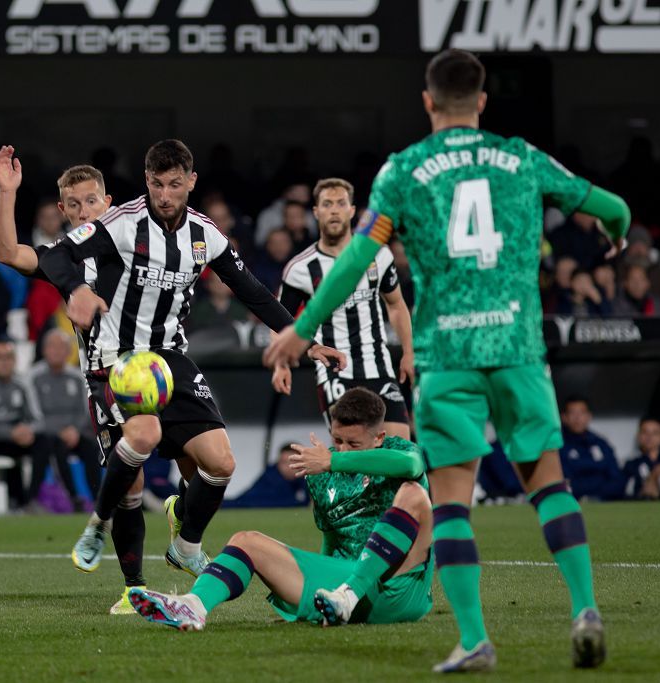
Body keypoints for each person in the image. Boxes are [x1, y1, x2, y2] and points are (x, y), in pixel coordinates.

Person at [264, 50, 632, 672]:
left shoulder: (405, 170)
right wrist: (615, 232)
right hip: (517, 348)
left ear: (429, 102)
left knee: (452, 502)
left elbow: (357, 259)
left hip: (448, 357)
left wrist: (300, 328)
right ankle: (586, 609)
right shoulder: (521, 156)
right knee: (549, 485)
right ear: (482, 101)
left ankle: (474, 639)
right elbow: (612, 207)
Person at [36, 140, 343, 583]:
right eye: (157, 185)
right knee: (144, 437)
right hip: (119, 360)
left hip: (172, 359)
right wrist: (78, 290)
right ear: (147, 181)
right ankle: (104, 537)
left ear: (191, 182)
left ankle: (185, 544)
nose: (165, 195)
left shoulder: (205, 234)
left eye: (175, 185)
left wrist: (302, 337)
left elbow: (251, 289)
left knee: (221, 465)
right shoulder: (121, 223)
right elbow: (55, 255)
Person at [129, 388, 432, 632]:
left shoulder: (396, 451)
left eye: (353, 443)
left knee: (413, 493)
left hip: (399, 589)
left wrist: (332, 461)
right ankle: (193, 606)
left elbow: (413, 466)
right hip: (342, 592)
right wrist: (316, 597)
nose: (342, 449)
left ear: (379, 438)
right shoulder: (321, 469)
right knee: (245, 540)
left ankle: (348, 595)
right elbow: (331, 538)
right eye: (337, 440)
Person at [0, 158, 151, 614]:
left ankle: (187, 529)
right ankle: (135, 587)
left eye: (92, 202)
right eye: (74, 204)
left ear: (108, 203)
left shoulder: (140, 243)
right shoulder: (63, 256)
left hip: (164, 367)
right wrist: (8, 193)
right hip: (107, 376)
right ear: (63, 209)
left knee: (212, 459)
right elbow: (9, 253)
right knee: (132, 482)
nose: (84, 211)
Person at [274, 177, 414, 438]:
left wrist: (408, 352)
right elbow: (278, 322)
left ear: (352, 210)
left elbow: (396, 305)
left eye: (341, 203)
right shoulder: (300, 269)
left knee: (399, 451)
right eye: (327, 204)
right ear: (315, 212)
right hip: (335, 374)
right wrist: (281, 365)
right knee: (354, 450)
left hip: (379, 367)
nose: (334, 210)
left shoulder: (379, 255)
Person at [0, 340, 49, 511]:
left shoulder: (24, 384)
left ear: (14, 361)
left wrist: (28, 430)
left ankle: (30, 500)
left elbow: (39, 420)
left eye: (8, 358)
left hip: (17, 440)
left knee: (44, 440)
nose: (4, 362)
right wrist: (9, 432)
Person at [25, 329, 102, 507]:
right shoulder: (32, 377)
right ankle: (68, 498)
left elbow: (87, 410)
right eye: (52, 347)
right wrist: (58, 431)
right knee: (52, 445)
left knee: (91, 448)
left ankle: (98, 499)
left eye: (62, 347)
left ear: (69, 352)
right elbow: (33, 413)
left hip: (74, 433)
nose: (57, 351)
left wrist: (75, 430)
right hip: (45, 434)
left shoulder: (78, 377)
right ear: (44, 350)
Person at [558, 397, 624, 501]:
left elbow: (617, 480)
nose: (577, 418)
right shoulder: (557, 445)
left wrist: (595, 495)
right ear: (564, 417)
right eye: (573, 413)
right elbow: (562, 482)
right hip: (570, 502)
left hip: (603, 502)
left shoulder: (601, 444)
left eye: (581, 413)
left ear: (589, 416)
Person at [221, 444, 309, 509]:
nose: (288, 467)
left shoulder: (306, 479)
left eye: (293, 462)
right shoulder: (272, 477)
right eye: (283, 462)